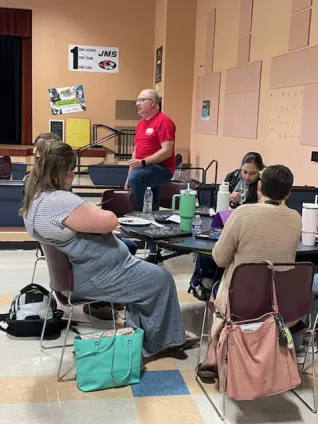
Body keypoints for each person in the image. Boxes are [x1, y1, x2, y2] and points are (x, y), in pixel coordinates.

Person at [22, 140, 198, 356]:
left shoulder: (36, 198)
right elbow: (110, 220)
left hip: (80, 274)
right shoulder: (59, 200)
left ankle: (147, 335)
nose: (72, 176)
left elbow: (78, 226)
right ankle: (161, 343)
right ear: (60, 171)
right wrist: (92, 214)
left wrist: (89, 217)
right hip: (94, 275)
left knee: (146, 276)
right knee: (161, 278)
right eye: (70, 171)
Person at [197, 165, 302, 379]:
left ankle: (211, 357)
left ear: (260, 186)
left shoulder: (243, 213)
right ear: (289, 193)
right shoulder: (296, 218)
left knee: (216, 290)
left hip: (241, 302)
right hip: (281, 304)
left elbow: (219, 258)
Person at [125, 88, 176, 263]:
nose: (137, 104)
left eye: (141, 100)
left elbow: (167, 151)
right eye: (137, 101)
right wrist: (128, 175)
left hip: (161, 170)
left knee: (138, 181)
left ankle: (142, 215)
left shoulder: (164, 121)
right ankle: (155, 253)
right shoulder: (140, 124)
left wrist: (143, 164)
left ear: (152, 103)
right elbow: (136, 153)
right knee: (153, 210)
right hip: (144, 170)